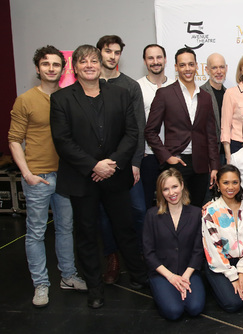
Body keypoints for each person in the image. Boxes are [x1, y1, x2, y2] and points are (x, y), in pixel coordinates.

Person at [50, 44, 147, 309]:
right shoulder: (61, 99)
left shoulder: (120, 94)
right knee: (87, 233)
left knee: (125, 229)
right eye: (83, 62)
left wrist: (111, 164)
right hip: (83, 179)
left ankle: (139, 276)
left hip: (115, 175)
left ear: (100, 63)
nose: (89, 65)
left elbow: (131, 133)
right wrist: (94, 165)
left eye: (93, 60)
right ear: (75, 67)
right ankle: (95, 288)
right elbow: (63, 141)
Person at [8, 45, 86, 307]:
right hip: (38, 176)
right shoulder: (26, 100)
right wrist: (27, 174)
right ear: (38, 68)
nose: (51, 68)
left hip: (65, 175)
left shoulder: (69, 98)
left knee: (66, 229)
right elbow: (14, 141)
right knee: (36, 233)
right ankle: (41, 285)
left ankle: (68, 276)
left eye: (56, 64)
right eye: (46, 64)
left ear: (63, 69)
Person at [96, 35, 147, 285]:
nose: (112, 56)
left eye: (116, 52)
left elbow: (138, 126)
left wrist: (136, 162)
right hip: (98, 167)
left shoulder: (130, 86)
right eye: (108, 51)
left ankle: (136, 255)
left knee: (137, 210)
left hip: (127, 164)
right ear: (99, 53)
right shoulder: (89, 85)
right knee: (104, 215)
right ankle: (112, 257)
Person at [145, 47, 220, 207]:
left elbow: (211, 134)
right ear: (176, 67)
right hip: (175, 162)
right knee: (174, 211)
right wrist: (167, 157)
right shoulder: (164, 94)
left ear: (196, 67)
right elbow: (150, 131)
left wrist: (214, 166)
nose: (187, 69)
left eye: (191, 64)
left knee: (197, 209)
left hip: (200, 164)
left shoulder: (205, 97)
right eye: (183, 65)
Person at [143, 168, 205, 320]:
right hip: (163, 273)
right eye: (166, 189)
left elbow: (198, 250)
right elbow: (148, 253)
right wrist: (171, 277)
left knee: (195, 308)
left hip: (188, 271)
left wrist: (185, 276)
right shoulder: (152, 215)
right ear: (160, 192)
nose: (171, 193)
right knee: (174, 311)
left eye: (174, 186)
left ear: (182, 185)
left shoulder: (197, 213)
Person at [202, 165, 243, 312]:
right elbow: (213, 249)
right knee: (233, 304)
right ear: (218, 184)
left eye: (235, 182)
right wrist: (233, 276)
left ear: (240, 183)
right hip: (220, 264)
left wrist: (242, 270)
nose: (230, 187)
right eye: (225, 182)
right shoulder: (211, 211)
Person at [137, 44, 176, 210]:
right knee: (147, 204)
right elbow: (135, 123)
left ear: (165, 60)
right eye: (150, 58)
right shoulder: (136, 87)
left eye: (159, 57)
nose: (155, 61)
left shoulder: (177, 86)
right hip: (148, 155)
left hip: (172, 154)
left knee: (172, 203)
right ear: (145, 61)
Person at [200, 53, 228, 165]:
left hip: (227, 153)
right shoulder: (200, 93)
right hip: (208, 156)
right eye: (214, 67)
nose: (219, 71)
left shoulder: (229, 94)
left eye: (221, 67)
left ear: (226, 68)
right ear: (207, 70)